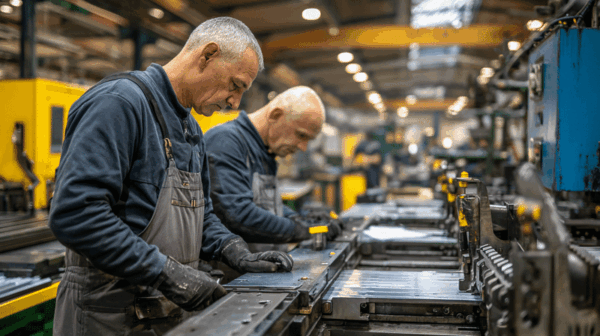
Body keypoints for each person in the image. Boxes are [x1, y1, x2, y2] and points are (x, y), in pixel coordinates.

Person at [49, 17, 293, 335]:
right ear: (207, 55)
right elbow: (75, 213)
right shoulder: (120, 104)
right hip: (106, 317)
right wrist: (165, 272)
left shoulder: (190, 127)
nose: (235, 103)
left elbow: (198, 213)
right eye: (235, 85)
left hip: (164, 317)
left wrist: (235, 251)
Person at [204, 87, 342, 251]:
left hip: (264, 268)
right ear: (275, 115)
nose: (303, 147)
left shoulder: (265, 150)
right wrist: (308, 230)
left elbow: (268, 207)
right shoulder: (226, 142)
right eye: (301, 135)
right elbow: (238, 216)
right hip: (235, 273)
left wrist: (302, 219)